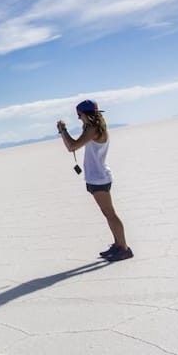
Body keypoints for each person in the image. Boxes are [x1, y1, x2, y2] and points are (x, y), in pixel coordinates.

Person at [57, 100, 133, 261]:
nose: (79, 118)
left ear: (87, 114)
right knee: (108, 214)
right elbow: (72, 146)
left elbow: (72, 146)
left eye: (80, 115)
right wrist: (63, 132)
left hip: (99, 178)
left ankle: (124, 248)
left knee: (110, 214)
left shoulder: (93, 130)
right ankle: (118, 244)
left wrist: (63, 129)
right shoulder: (92, 128)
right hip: (96, 177)